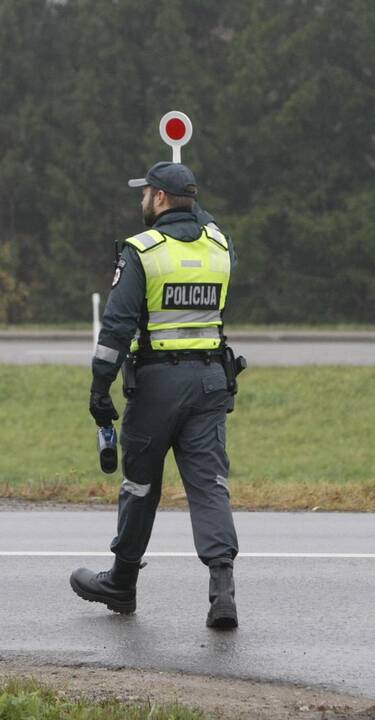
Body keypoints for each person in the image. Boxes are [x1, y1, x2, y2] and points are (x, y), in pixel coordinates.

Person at [70, 161, 240, 629]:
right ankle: (222, 589)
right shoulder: (221, 246)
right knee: (209, 485)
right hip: (209, 383)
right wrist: (190, 199)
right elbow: (204, 223)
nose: (141, 199)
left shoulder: (143, 252)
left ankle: (122, 582)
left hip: (157, 386)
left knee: (140, 486)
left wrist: (99, 385)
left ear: (160, 199)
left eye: (146, 192)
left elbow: (118, 326)